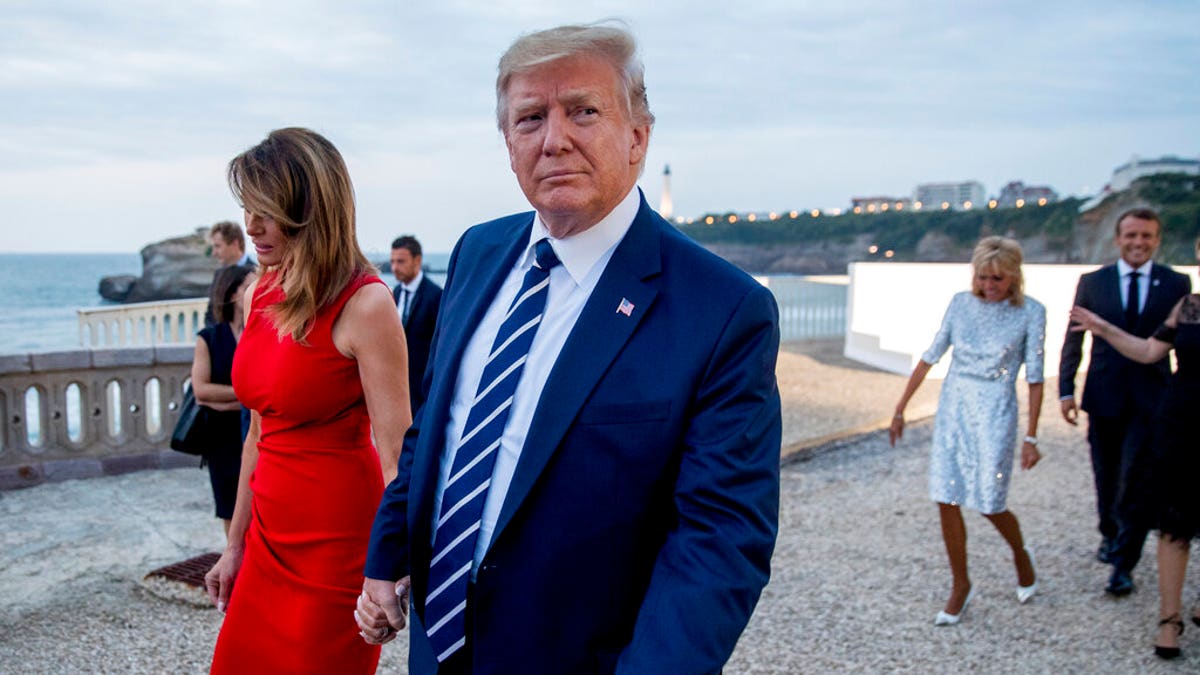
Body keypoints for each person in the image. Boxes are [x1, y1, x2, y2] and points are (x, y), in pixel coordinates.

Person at [356, 22, 781, 673]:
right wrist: (387, 556)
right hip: (437, 647)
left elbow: (718, 543)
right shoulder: (476, 253)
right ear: (508, 143)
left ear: (638, 134)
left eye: (583, 110)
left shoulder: (722, 311)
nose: (554, 139)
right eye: (530, 118)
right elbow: (437, 428)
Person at [204, 127, 411, 674]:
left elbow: (398, 458)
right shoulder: (258, 292)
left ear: (310, 208)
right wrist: (234, 545)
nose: (252, 225)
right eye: (247, 208)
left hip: (336, 545)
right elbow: (256, 433)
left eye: (267, 209)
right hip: (267, 534)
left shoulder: (366, 304)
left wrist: (391, 568)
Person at [890, 236, 1045, 626]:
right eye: (982, 278)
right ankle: (961, 584)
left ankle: (1020, 554)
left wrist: (1031, 437)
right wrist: (900, 408)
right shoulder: (961, 303)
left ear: (1013, 277)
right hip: (955, 408)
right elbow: (931, 355)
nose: (989, 286)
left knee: (989, 500)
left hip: (996, 411)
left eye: (997, 279)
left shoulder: (1032, 312)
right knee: (947, 496)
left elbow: (1036, 378)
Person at [1069, 237, 1200, 659]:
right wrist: (1102, 328)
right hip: (1181, 424)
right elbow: (1147, 351)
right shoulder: (1189, 306)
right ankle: (1169, 620)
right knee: (1174, 523)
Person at [1059, 207, 1191, 595]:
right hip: (1104, 393)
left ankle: (1123, 559)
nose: (1138, 242)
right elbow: (1074, 338)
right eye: (1131, 235)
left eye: (1146, 236)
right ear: (1118, 239)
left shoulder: (1176, 283)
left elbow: (1184, 344)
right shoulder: (1093, 282)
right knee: (1106, 473)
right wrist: (1065, 389)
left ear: (1157, 240)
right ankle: (1109, 532)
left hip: (1154, 397)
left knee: (1137, 477)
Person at [190, 263, 255, 538]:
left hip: (257, 435)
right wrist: (246, 396)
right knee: (229, 506)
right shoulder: (210, 338)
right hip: (222, 439)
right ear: (232, 293)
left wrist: (228, 398)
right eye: (249, 284)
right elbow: (201, 391)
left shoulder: (262, 332)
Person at [390, 235, 442, 414]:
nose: (395, 268)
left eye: (401, 261)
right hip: (399, 386)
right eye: (393, 261)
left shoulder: (435, 296)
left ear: (417, 260)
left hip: (423, 389)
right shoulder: (396, 292)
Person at [204, 220, 255, 327]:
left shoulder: (256, 273)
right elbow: (210, 313)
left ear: (234, 244)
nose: (214, 253)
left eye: (218, 246)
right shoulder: (218, 275)